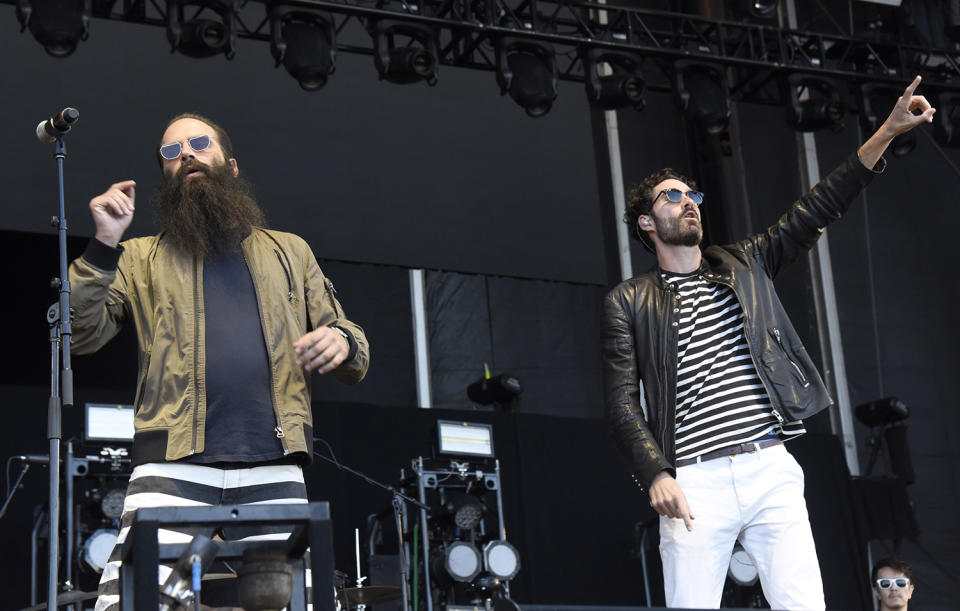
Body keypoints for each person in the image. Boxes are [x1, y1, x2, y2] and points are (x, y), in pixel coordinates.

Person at [602, 76, 934, 609]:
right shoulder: (629, 300)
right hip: (694, 478)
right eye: (674, 196)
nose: (690, 202)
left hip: (767, 467)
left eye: (694, 194)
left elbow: (819, 206)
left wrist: (888, 133)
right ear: (647, 221)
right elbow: (620, 401)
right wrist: (656, 472)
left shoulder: (746, 263)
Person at [69, 113, 370, 611]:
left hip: (273, 463)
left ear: (229, 167)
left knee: (305, 603)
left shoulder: (289, 252)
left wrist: (340, 339)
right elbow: (79, 336)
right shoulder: (138, 257)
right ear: (165, 177)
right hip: (171, 463)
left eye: (198, 143)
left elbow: (351, 340)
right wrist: (103, 244)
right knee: (129, 603)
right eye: (171, 151)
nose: (184, 153)